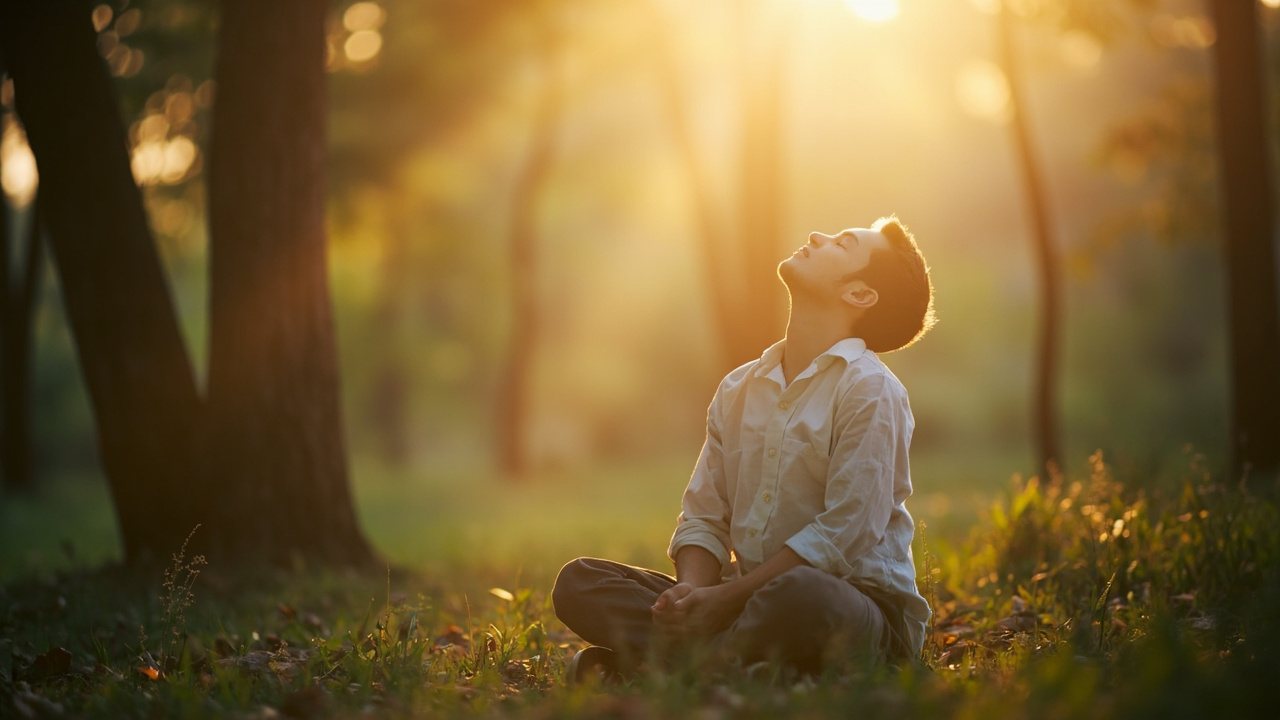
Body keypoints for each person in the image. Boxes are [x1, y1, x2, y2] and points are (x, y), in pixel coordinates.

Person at [552, 216, 935, 682]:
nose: (817, 236)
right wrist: (693, 596)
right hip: (744, 605)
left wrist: (726, 599)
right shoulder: (738, 388)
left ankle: (675, 668)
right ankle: (716, 661)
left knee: (802, 594)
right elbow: (704, 517)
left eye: (842, 243)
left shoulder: (871, 390)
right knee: (580, 581)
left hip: (848, 607)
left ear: (859, 294)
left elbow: (842, 537)